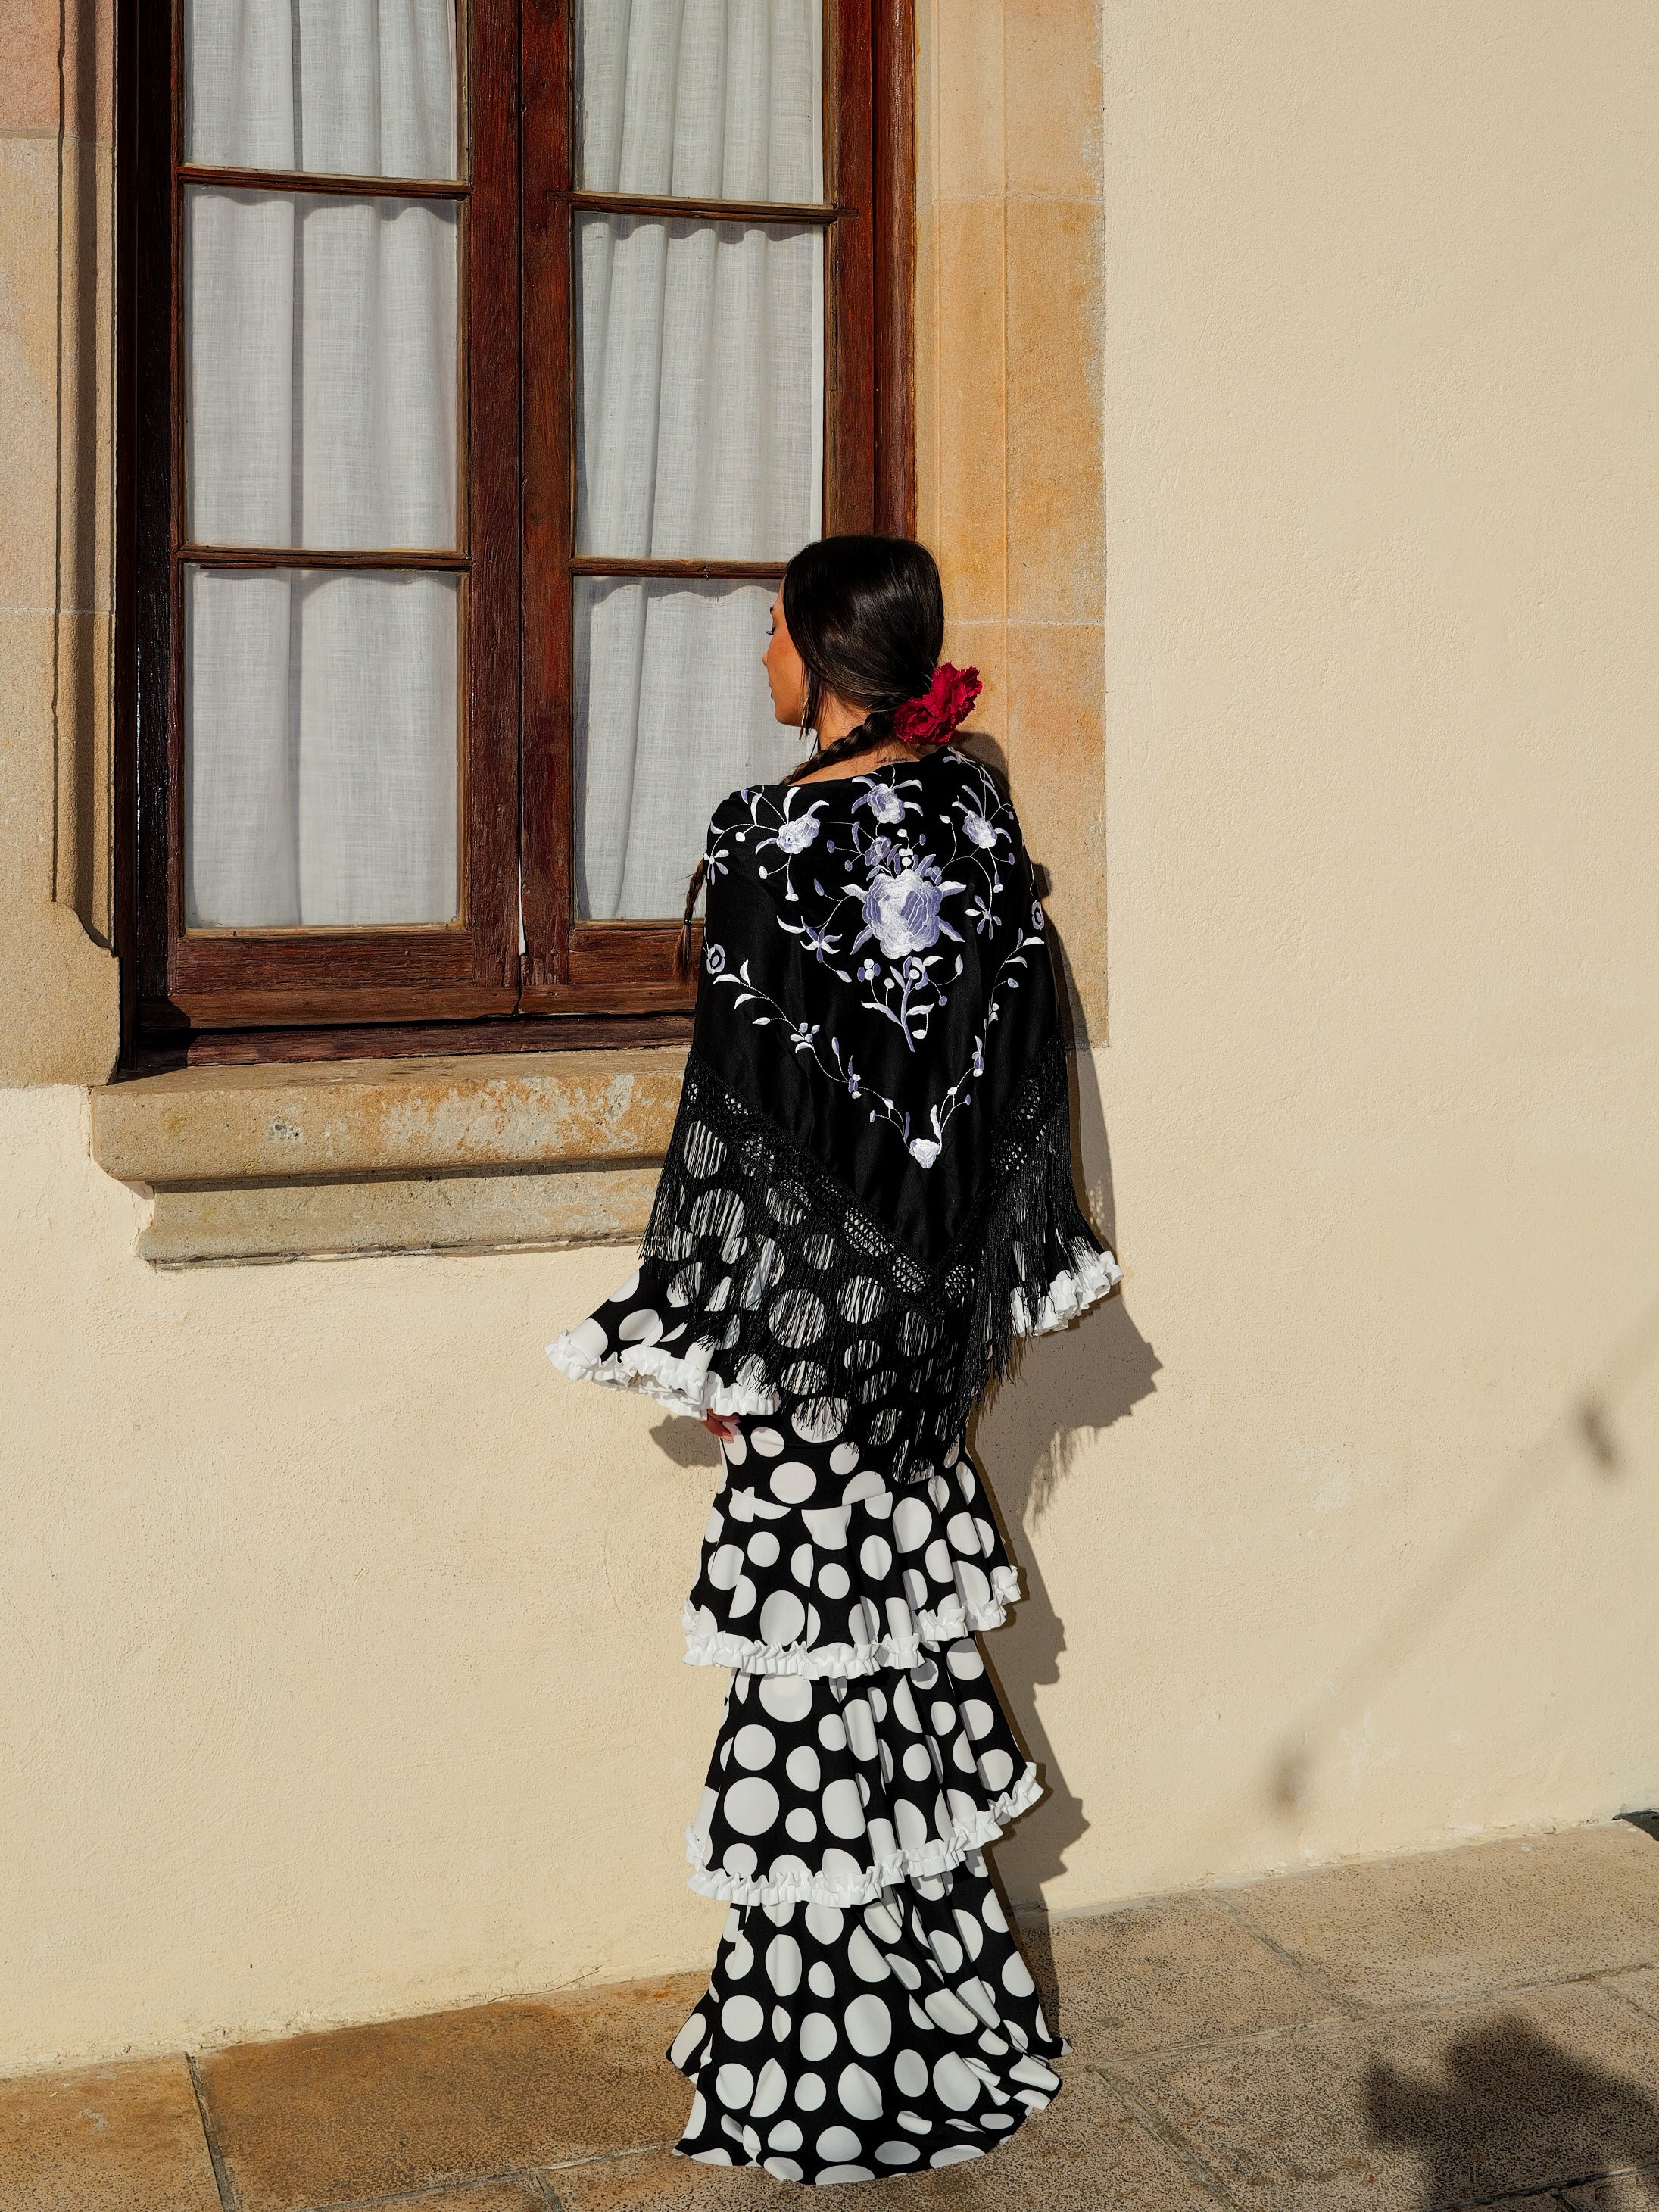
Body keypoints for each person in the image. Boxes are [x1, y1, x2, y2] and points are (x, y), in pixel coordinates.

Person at [547, 535, 1120, 2184]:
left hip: (807, 1331)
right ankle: (949, 2018)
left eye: (770, 637)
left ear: (814, 647)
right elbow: (1011, 1092)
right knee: (904, 1677)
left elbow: (743, 1105)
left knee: (813, 1683)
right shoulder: (976, 826)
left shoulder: (771, 835)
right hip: (923, 1333)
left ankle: (828, 2061)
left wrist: (727, 1328)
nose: (759, 665)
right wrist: (956, 1285)